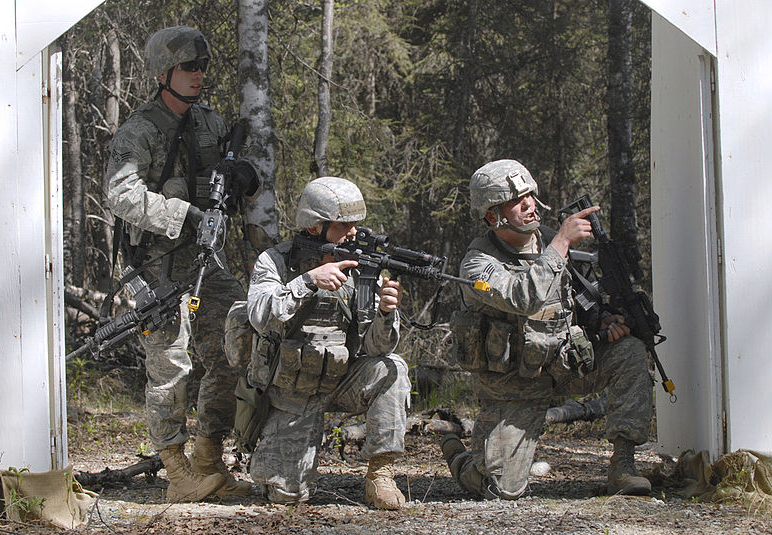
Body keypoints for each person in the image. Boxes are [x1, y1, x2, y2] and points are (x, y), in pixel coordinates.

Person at [105, 26, 261, 502]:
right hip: (155, 265)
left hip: (205, 261)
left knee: (239, 338)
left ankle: (209, 455)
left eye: (202, 67)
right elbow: (120, 194)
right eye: (189, 67)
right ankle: (177, 473)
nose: (198, 76)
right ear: (162, 73)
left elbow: (242, 181)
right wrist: (184, 214)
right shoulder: (138, 131)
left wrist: (243, 177)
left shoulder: (210, 125)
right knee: (169, 364)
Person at [442, 159, 654, 499]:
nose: (528, 205)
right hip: (514, 385)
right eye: (515, 200)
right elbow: (523, 296)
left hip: (565, 365)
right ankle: (460, 458)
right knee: (501, 489)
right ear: (491, 215)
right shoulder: (477, 265)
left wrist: (603, 322)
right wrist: (561, 245)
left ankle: (624, 465)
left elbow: (573, 302)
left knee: (628, 351)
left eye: (529, 195)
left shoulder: (550, 245)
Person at [244, 176, 411, 509]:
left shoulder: (361, 268)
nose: (353, 232)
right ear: (315, 226)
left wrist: (387, 314)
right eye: (343, 224)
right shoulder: (276, 262)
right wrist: (308, 281)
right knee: (287, 498)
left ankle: (381, 474)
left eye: (355, 224)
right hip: (291, 390)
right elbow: (259, 315)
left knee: (392, 369)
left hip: (341, 379)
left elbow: (377, 349)